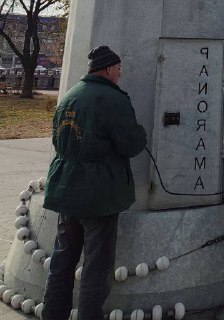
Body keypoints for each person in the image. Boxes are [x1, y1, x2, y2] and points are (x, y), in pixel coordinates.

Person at [42, 46, 147, 320]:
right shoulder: (112, 99)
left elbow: (58, 140)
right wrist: (140, 134)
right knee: (96, 269)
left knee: (62, 261)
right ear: (109, 69)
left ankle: (53, 314)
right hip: (98, 195)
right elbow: (130, 144)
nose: (121, 73)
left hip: (66, 190)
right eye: (119, 69)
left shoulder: (70, 96)